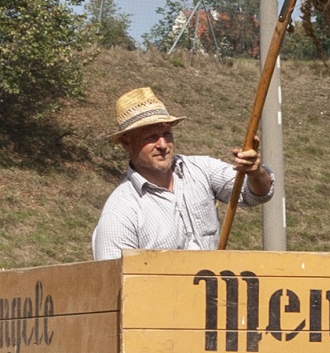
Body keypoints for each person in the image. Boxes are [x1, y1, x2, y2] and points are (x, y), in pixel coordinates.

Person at [89, 88, 272, 257]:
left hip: (211, 291)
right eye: (151, 137)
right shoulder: (120, 213)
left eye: (167, 134)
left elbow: (256, 194)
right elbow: (113, 283)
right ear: (127, 143)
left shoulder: (201, 170)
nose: (162, 145)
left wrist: (255, 173)